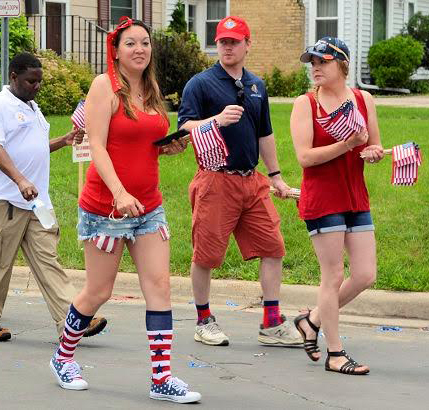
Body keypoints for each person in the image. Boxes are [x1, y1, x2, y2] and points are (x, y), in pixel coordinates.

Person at [48, 18, 200, 404]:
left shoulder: (151, 91)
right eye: (131, 43)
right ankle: (63, 357)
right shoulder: (104, 87)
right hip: (106, 208)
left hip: (148, 206)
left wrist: (168, 146)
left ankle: (162, 377)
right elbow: (97, 146)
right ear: (115, 50)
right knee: (99, 290)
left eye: (145, 43)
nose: (139, 49)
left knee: (160, 286)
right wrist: (118, 193)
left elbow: (146, 143)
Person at [177, 16, 303, 347]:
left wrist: (275, 177)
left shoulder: (257, 85)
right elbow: (185, 128)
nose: (228, 47)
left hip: (252, 180)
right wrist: (215, 120)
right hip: (216, 180)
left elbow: (265, 134)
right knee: (206, 255)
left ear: (248, 44)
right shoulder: (200, 84)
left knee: (273, 247)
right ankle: (204, 321)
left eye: (234, 41)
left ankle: (271, 323)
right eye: (222, 42)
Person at [0, 52, 107, 342]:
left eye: (39, 82)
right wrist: (20, 179)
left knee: (49, 261)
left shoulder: (33, 107)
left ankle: (72, 320)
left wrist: (64, 140)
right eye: (31, 81)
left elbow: (35, 146)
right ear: (13, 77)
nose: (36, 86)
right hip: (5, 201)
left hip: (37, 201)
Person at [290, 37, 382, 375]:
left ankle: (311, 320)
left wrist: (371, 152)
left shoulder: (363, 99)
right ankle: (335, 353)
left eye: (322, 61)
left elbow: (372, 145)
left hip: (355, 194)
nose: (315, 67)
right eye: (311, 61)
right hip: (323, 197)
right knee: (333, 276)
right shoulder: (306, 104)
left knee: (365, 275)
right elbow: (305, 158)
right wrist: (347, 144)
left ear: (341, 64)